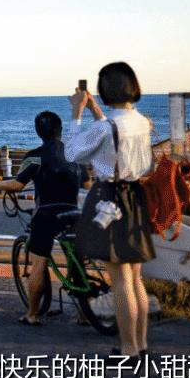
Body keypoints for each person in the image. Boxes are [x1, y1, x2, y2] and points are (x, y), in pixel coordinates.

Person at [64, 62, 155, 360]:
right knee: (135, 277)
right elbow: (112, 134)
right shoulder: (143, 121)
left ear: (104, 91)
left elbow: (72, 152)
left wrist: (77, 114)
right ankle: (140, 344)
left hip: (109, 199)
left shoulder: (105, 127)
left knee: (120, 281)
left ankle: (127, 349)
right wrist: (93, 112)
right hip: (135, 197)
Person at [0, 111, 89, 326]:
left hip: (47, 214)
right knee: (76, 260)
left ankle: (32, 314)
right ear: (60, 130)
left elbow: (17, 185)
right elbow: (88, 185)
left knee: (39, 263)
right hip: (73, 213)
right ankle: (84, 313)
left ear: (38, 132)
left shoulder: (34, 156)